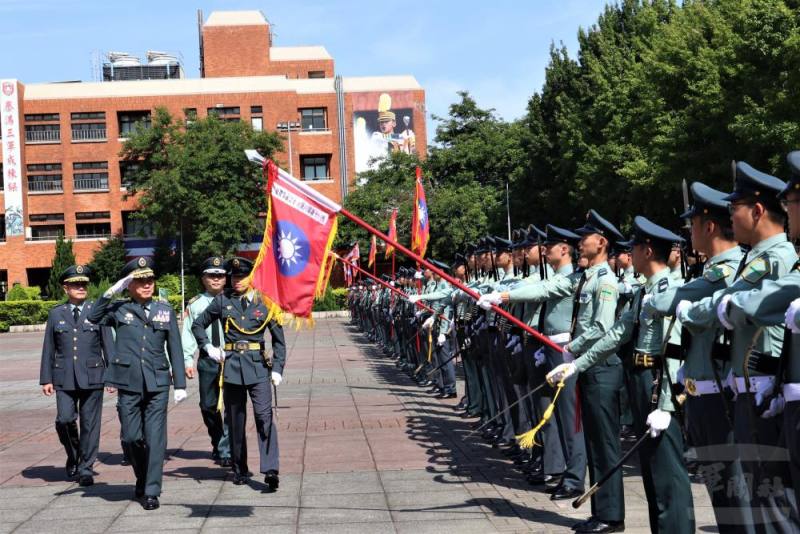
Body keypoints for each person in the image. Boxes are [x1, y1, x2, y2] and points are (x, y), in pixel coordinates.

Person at [550, 216, 696, 533]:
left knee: (667, 468)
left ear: (646, 251)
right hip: (640, 380)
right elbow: (617, 333)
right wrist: (578, 363)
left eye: (634, 246)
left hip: (659, 384)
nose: (628, 252)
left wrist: (667, 405)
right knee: (652, 470)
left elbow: (674, 350)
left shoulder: (670, 288)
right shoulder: (647, 291)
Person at [678, 161, 798, 531]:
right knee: (759, 501)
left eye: (735, 208)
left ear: (758, 210)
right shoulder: (755, 257)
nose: (731, 217)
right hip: (750, 389)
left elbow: (756, 311)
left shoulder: (776, 257)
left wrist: (768, 381)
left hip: (765, 390)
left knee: (774, 506)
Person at [640, 181, 746, 532]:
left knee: (736, 498)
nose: (689, 233)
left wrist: (657, 299)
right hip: (703, 392)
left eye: (693, 225)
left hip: (719, 396)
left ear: (709, 227)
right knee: (725, 496)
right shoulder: (715, 269)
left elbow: (668, 301)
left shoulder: (724, 271)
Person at [88, 257, 186, 510]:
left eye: (150, 280)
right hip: (128, 382)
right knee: (131, 438)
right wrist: (112, 291)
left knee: (155, 439)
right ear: (129, 285)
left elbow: (174, 347)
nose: (146, 284)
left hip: (158, 382)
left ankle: (151, 490)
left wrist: (180, 385)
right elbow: (93, 317)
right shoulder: (119, 309)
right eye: (139, 281)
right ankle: (143, 477)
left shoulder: (164, 310)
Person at [191, 257, 286, 491]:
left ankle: (270, 469)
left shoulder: (266, 302)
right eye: (233, 277)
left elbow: (279, 341)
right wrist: (208, 347)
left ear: (251, 277)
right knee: (235, 422)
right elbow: (197, 324)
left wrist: (278, 369)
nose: (237, 281)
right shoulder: (222, 301)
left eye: (241, 277)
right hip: (232, 367)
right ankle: (239, 468)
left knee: (264, 417)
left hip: (258, 368)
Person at [39, 265, 113, 486]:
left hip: (93, 375)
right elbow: (48, 348)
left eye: (84, 284)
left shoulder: (97, 311)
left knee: (90, 424)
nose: (81, 288)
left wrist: (112, 376)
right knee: (64, 419)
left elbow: (109, 346)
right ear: (65, 288)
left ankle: (86, 468)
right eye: (75, 284)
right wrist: (46, 378)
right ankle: (74, 455)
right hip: (63, 377)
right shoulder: (56, 313)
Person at [181, 256, 232, 467]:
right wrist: (187, 360)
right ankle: (218, 439)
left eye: (220, 275)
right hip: (207, 361)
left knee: (231, 406)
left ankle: (226, 450)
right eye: (212, 275)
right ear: (203, 278)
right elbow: (187, 333)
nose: (216, 279)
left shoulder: (234, 300)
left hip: (231, 359)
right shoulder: (195, 304)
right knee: (208, 405)